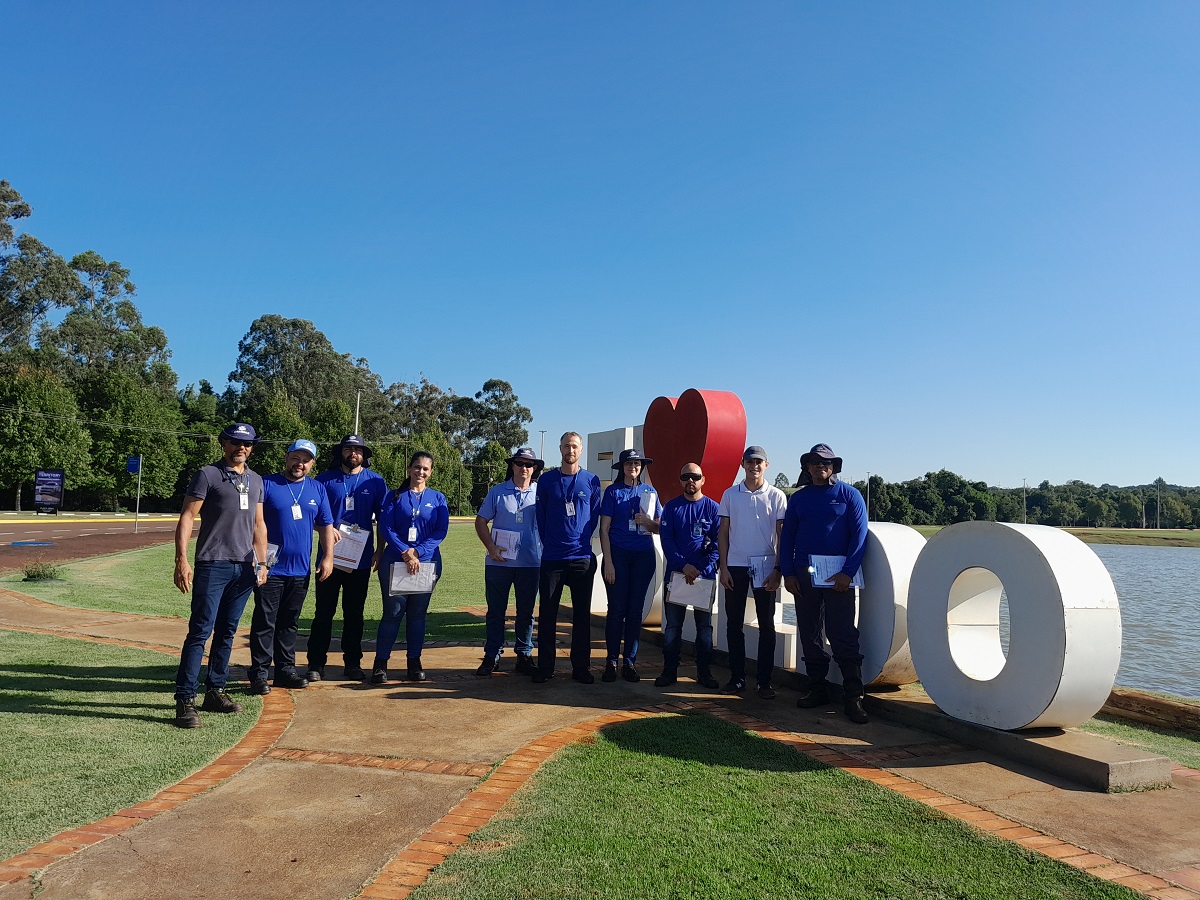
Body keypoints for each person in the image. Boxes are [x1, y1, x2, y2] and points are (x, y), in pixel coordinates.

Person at [171, 422, 268, 728]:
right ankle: (185, 699)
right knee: (201, 631)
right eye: (236, 442)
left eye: (248, 443)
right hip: (212, 564)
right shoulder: (208, 475)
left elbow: (258, 525)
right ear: (224, 444)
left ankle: (215, 690)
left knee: (227, 631)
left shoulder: (256, 480)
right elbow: (187, 516)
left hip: (243, 567)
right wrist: (181, 560)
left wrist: (262, 563)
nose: (243, 447)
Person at [780, 443, 870, 723]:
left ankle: (853, 696)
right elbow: (787, 538)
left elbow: (860, 536)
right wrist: (788, 573)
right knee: (810, 631)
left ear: (834, 467)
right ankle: (816, 688)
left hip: (839, 577)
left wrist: (848, 572)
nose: (821, 466)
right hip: (804, 575)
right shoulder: (798, 499)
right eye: (815, 462)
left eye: (827, 463)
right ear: (807, 467)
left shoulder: (850, 495)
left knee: (842, 632)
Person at [247, 439, 336, 695]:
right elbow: (254, 522)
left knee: (290, 622)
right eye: (296, 458)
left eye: (306, 460)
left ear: (312, 464)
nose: (300, 464)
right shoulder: (267, 484)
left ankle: (285, 670)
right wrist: (259, 561)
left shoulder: (317, 488)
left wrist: (328, 556)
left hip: (300, 570)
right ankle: (260, 673)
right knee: (265, 622)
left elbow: (326, 525)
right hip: (270, 568)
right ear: (286, 458)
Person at [307, 434, 389, 681]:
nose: (353, 453)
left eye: (358, 450)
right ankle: (315, 664)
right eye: (348, 449)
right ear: (340, 452)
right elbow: (312, 515)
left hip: (361, 559)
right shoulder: (323, 480)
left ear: (364, 455)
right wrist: (325, 528)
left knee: (354, 613)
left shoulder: (375, 481)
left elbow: (382, 520)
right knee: (323, 612)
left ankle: (352, 663)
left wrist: (380, 550)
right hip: (329, 558)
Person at [371, 451, 449, 684]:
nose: (420, 472)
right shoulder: (394, 496)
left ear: (431, 472)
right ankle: (380, 664)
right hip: (396, 560)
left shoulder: (437, 498)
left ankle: (414, 661)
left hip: (426, 562)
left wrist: (418, 552)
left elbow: (440, 531)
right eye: (417, 467)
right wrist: (406, 551)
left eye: (425, 469)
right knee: (393, 613)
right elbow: (386, 527)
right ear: (410, 468)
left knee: (417, 615)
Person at [717, 445, 788, 699]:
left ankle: (764, 682)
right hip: (735, 565)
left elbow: (782, 536)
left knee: (766, 625)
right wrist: (723, 567)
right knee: (733, 624)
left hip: (766, 566)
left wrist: (778, 569)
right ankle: (737, 678)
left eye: (759, 462)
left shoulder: (778, 496)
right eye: (749, 462)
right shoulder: (730, 494)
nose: (754, 466)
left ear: (766, 465)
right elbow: (723, 532)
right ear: (742, 464)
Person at [532, 432, 602, 684]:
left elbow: (594, 516)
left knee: (582, 616)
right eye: (565, 446)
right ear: (559, 449)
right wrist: (551, 541)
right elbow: (540, 516)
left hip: (581, 557)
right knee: (548, 615)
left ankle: (581, 668)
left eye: (574, 446)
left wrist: (579, 539)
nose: (569, 450)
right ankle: (545, 667)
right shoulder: (547, 480)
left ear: (580, 450)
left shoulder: (591, 480)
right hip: (552, 557)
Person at [474, 447, 543, 676]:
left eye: (528, 464)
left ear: (534, 469)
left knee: (526, 612)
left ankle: (524, 654)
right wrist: (491, 548)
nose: (524, 468)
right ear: (512, 466)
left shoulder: (540, 493)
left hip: (530, 563)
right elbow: (481, 521)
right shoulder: (498, 491)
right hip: (499, 562)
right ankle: (492, 654)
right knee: (496, 611)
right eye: (519, 463)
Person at [655, 463, 721, 689]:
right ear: (681, 480)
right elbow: (667, 541)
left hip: (704, 578)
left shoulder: (713, 508)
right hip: (676, 577)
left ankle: (704, 673)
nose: (690, 481)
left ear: (703, 480)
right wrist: (684, 566)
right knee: (673, 628)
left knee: (705, 629)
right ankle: (669, 671)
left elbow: (719, 544)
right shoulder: (671, 508)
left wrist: (699, 567)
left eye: (695, 476)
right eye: (686, 477)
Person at [598, 449, 661, 682]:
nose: (632, 467)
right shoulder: (613, 492)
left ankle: (630, 662)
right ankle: (611, 661)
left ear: (641, 467)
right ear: (622, 467)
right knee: (616, 610)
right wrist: (609, 562)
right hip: (618, 555)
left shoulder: (650, 492)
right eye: (628, 463)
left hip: (643, 556)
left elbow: (658, 527)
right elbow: (604, 529)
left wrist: (647, 522)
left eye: (636, 464)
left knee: (635, 611)